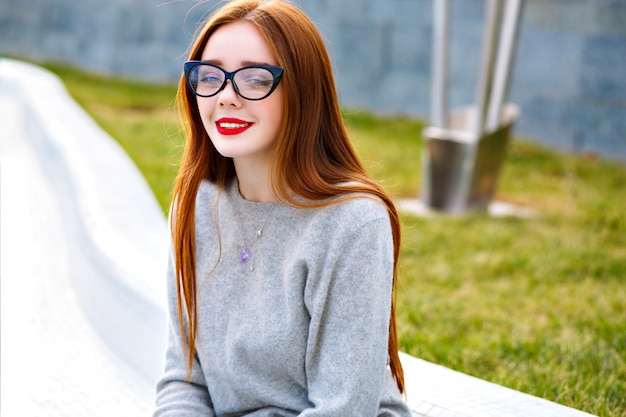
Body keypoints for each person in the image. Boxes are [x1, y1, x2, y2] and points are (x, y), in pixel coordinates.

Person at [154, 0, 412, 415]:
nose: (226, 96)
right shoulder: (196, 205)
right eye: (210, 75)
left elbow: (342, 409)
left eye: (256, 79)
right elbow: (183, 380)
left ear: (304, 92)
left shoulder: (352, 223)